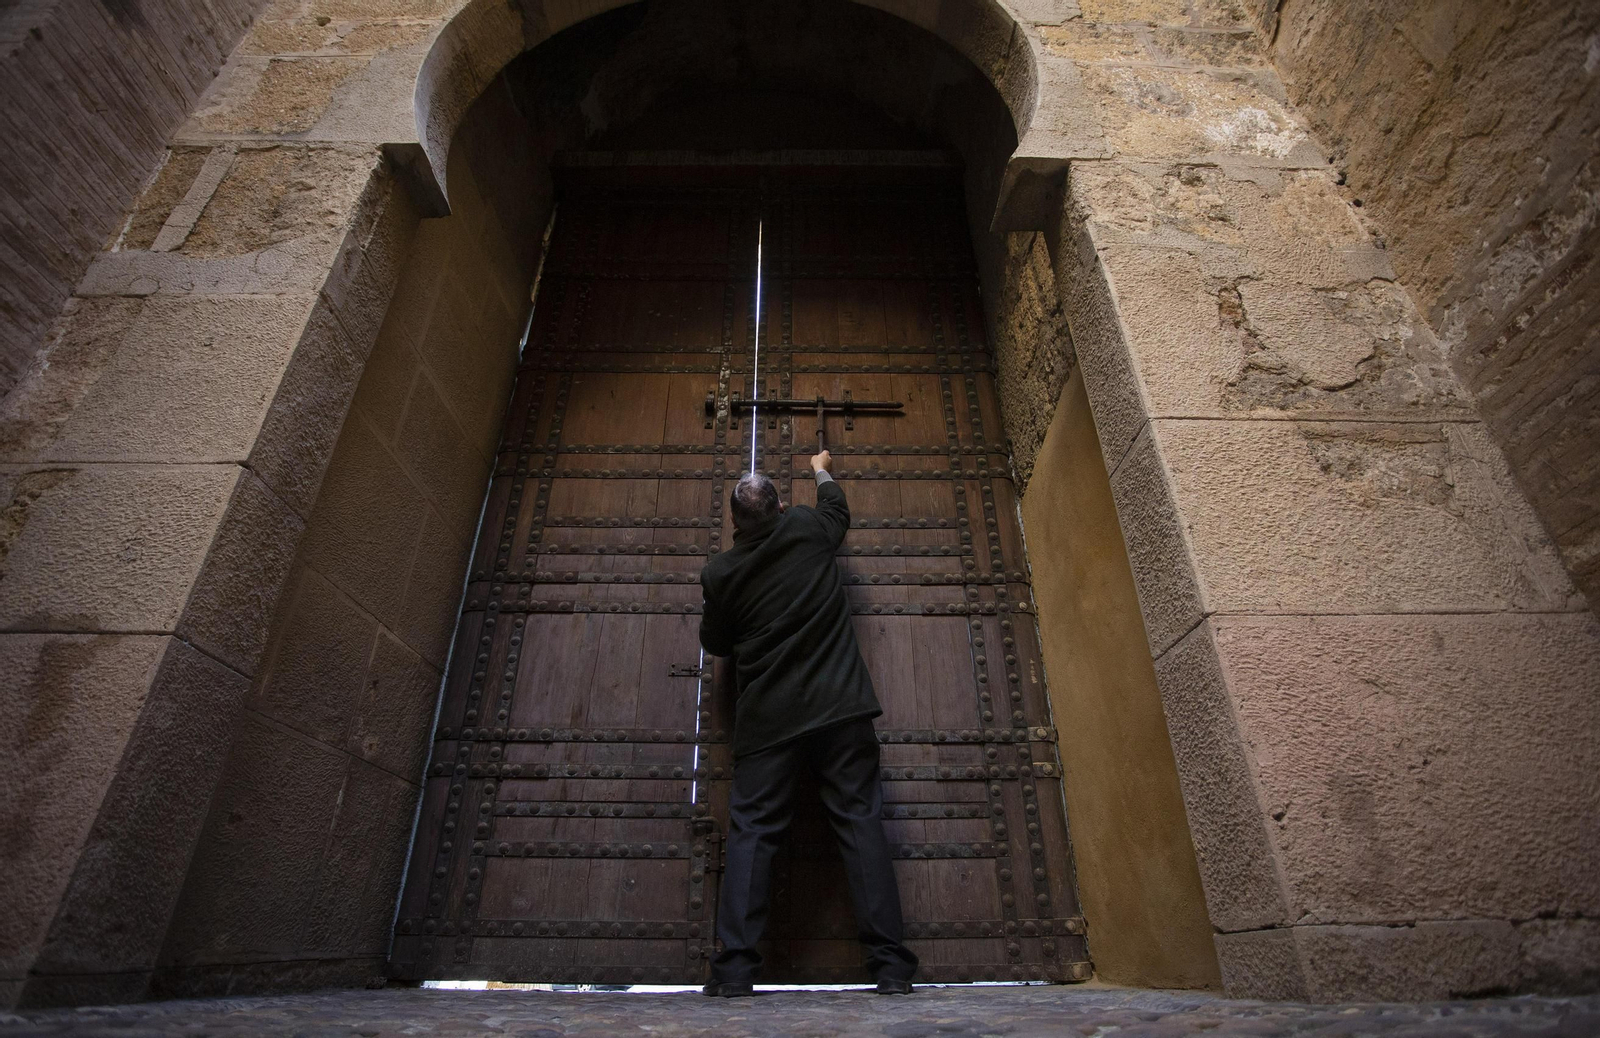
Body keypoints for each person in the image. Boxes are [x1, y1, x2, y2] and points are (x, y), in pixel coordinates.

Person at [697, 449, 918, 998]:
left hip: (769, 723)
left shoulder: (720, 573)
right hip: (839, 709)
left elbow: (715, 642)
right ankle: (890, 969)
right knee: (860, 824)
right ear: (778, 507)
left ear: (735, 523)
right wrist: (820, 469)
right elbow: (836, 509)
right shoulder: (806, 527)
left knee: (753, 834)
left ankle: (735, 973)